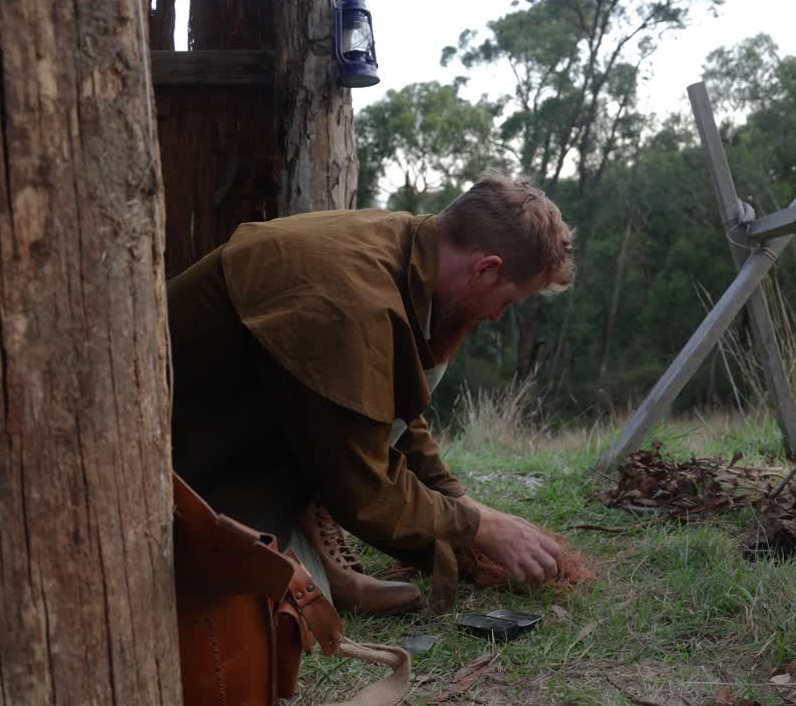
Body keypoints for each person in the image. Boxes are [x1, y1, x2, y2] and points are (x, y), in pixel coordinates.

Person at [167, 173, 573, 614]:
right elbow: (364, 490)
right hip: (171, 458)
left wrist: (458, 500)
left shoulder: (406, 245)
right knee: (259, 604)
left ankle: (309, 555)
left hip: (222, 423)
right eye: (507, 302)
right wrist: (479, 528)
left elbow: (384, 402)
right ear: (486, 269)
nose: (496, 316)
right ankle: (301, 559)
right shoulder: (353, 304)